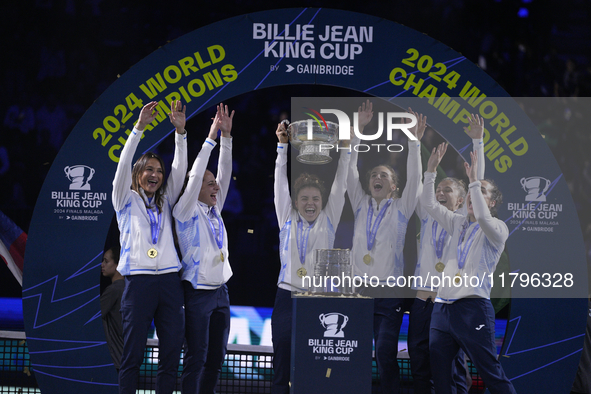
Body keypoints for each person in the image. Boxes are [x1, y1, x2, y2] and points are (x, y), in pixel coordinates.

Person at [270, 103, 369, 394]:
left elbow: (340, 180)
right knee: (281, 366)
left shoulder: (329, 219)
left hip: (317, 298)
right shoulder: (285, 217)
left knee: (314, 366)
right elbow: (279, 182)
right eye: (304, 198)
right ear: (295, 202)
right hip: (286, 294)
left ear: (322, 202)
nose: (310, 203)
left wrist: (348, 146)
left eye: (315, 198)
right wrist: (282, 148)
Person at [420, 144, 516, 394]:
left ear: (492, 202)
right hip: (442, 309)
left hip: (472, 308)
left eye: (481, 192)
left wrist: (474, 181)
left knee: (490, 373)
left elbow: (483, 218)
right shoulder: (458, 222)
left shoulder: (497, 228)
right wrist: (430, 172)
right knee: (442, 378)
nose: (474, 194)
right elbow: (430, 204)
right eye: (473, 191)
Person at [346, 103, 425, 393]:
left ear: (394, 187)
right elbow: (349, 172)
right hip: (357, 289)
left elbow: (415, 179)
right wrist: (359, 132)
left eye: (384, 177)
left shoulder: (402, 208)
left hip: (389, 293)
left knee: (384, 354)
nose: (377, 178)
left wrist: (415, 142)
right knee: (351, 354)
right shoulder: (360, 203)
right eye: (374, 176)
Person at [112, 100, 187, 394]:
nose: (155, 175)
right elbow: (121, 168)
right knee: (132, 357)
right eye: (149, 170)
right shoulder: (124, 200)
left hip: (169, 282)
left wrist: (180, 133)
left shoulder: (165, 201)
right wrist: (139, 128)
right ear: (138, 174)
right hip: (139, 283)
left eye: (158, 170)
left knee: (170, 357)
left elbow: (180, 171)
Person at [409, 114, 485, 393]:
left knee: (453, 367)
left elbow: (479, 181)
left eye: (447, 189)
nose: (440, 192)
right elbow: (420, 188)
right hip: (421, 302)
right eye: (438, 188)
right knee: (418, 362)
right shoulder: (429, 216)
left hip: (450, 305)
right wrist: (418, 149)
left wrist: (478, 142)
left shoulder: (466, 222)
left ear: (463, 197)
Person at [173, 103, 235, 394]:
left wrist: (226, 138)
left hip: (222, 292)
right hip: (197, 294)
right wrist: (210, 137)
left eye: (215, 185)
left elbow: (224, 172)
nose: (216, 187)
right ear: (195, 187)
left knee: (215, 361)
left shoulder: (214, 210)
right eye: (209, 184)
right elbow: (198, 173)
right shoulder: (185, 211)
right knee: (195, 359)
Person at [100, 245, 124, 371]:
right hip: (125, 359)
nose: (102, 265)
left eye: (106, 261)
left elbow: (94, 317)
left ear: (117, 264)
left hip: (114, 360)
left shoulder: (113, 290)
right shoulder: (128, 289)